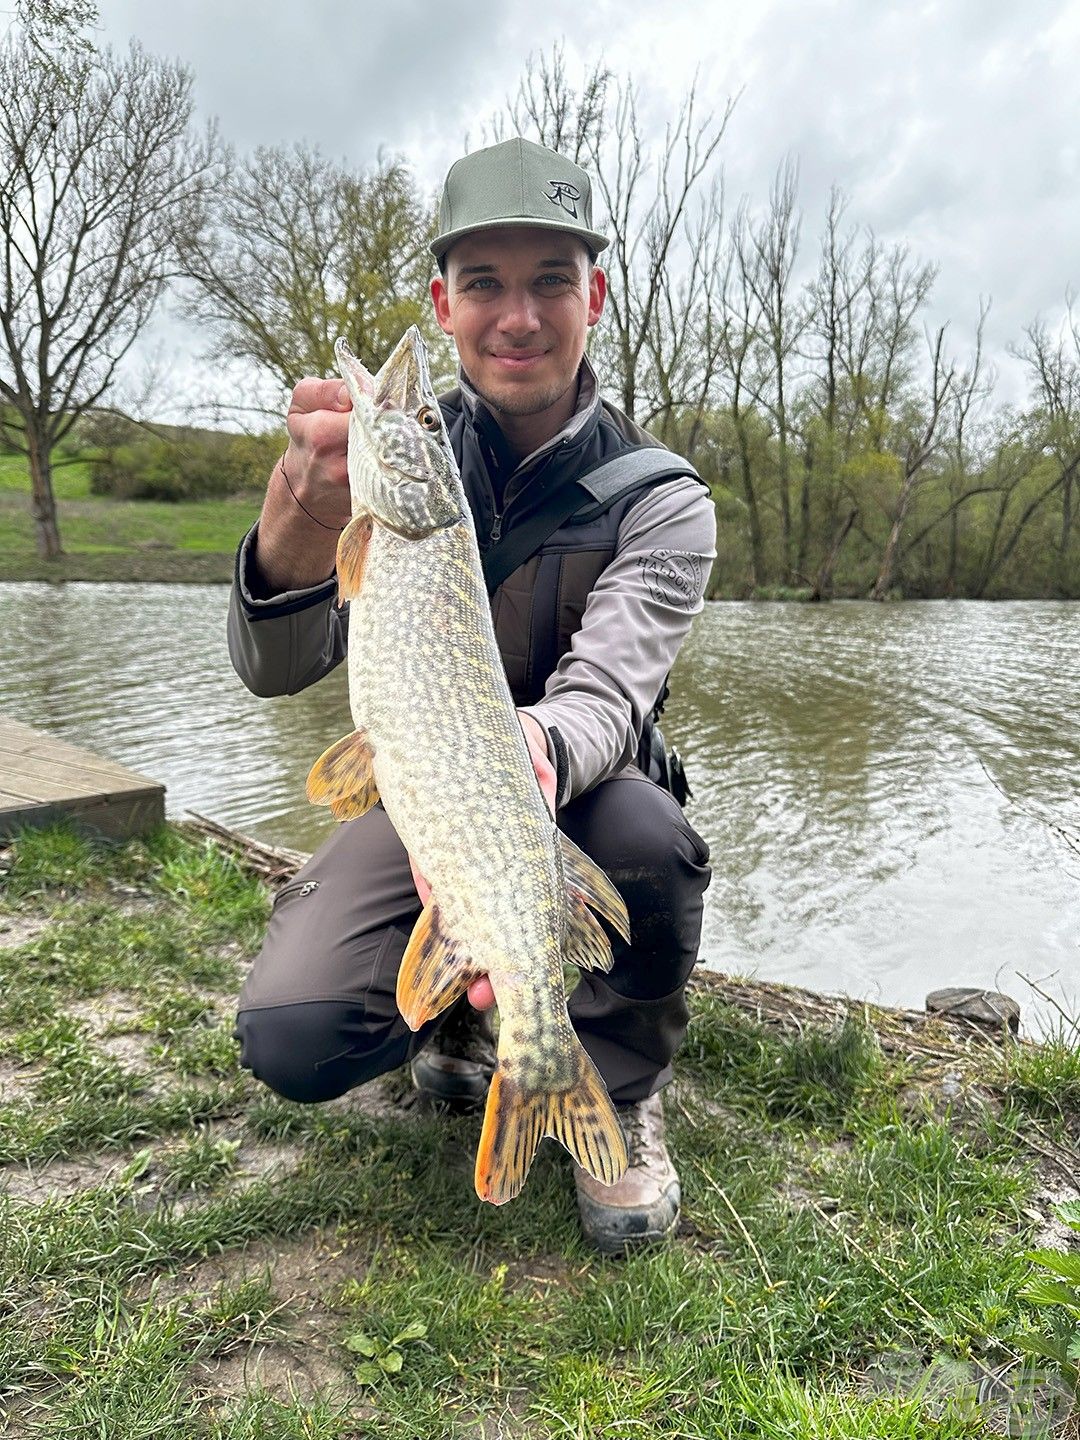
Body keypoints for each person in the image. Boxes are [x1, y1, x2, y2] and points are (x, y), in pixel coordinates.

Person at [227, 136, 715, 1253]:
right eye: (484, 283)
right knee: (293, 1033)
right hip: (426, 790)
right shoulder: (384, 477)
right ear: (443, 304)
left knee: (649, 833)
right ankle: (456, 1019)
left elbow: (609, 693)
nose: (518, 316)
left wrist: (523, 761)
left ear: (593, 296)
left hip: (575, 792)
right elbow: (272, 672)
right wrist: (297, 523)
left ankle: (614, 1081)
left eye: (551, 280)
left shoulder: (663, 500)